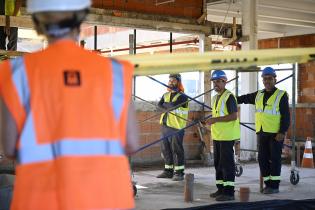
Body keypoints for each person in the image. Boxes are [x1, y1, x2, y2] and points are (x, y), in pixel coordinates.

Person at [0, 0, 139, 209]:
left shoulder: (15, 73)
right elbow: (132, 143)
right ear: (81, 18)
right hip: (107, 199)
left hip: (41, 200)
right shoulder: (115, 72)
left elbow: (9, 148)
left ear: (37, 22)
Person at [237, 67, 290, 194]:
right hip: (262, 133)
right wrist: (232, 99)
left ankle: (274, 186)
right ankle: (268, 183)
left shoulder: (281, 95)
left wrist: (282, 132)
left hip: (275, 134)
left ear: (274, 80)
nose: (267, 81)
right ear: (263, 80)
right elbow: (245, 98)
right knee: (262, 159)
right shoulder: (259, 94)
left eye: (270, 79)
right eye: (265, 79)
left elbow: (286, 116)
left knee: (275, 159)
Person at [207, 70, 240, 201]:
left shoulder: (229, 97)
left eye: (218, 81)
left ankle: (229, 192)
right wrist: (210, 120)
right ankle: (220, 189)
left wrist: (214, 120)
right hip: (217, 136)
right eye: (214, 82)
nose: (215, 84)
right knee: (218, 164)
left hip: (227, 136)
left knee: (227, 165)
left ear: (224, 81)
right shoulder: (215, 98)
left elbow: (233, 116)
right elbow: (217, 115)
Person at [156, 73, 189, 181]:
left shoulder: (183, 96)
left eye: (174, 80)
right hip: (165, 126)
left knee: (176, 149)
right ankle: (168, 171)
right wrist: (167, 106)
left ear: (178, 82)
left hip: (177, 127)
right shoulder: (165, 95)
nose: (171, 82)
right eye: (170, 80)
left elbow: (171, 106)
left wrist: (166, 106)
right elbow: (158, 107)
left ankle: (179, 172)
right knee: (165, 149)